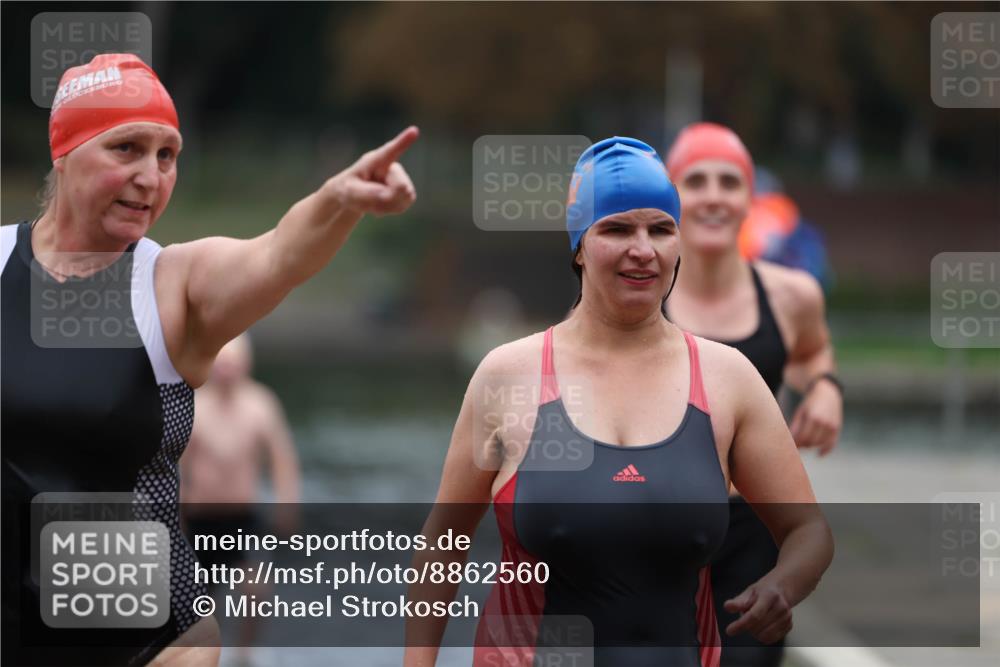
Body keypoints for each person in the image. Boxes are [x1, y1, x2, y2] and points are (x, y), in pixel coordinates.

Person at [1, 53, 416, 667]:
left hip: (151, 648)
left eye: (167, 156)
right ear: (65, 152)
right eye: (127, 149)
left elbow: (277, 256)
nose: (152, 176)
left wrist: (339, 200)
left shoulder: (172, 284)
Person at [403, 137, 833, 667]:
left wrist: (782, 586)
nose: (643, 249)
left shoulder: (728, 379)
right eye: (616, 228)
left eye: (660, 228)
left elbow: (808, 530)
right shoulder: (508, 377)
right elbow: (443, 542)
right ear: (579, 245)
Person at [664, 122, 843, 667]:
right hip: (660, 528)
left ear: (750, 198)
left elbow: (813, 352)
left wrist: (826, 390)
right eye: (696, 181)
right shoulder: (639, 295)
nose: (714, 196)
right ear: (670, 196)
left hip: (755, 530)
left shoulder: (791, 296)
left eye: (729, 181)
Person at [180, 333, 300, 665]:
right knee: (203, 600)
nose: (228, 368)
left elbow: (282, 460)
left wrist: (286, 504)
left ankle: (245, 651)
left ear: (247, 363)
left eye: (235, 360)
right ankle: (205, 654)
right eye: (223, 360)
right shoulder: (195, 403)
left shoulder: (261, 404)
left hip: (243, 518)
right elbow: (177, 466)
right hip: (199, 518)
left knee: (256, 591)